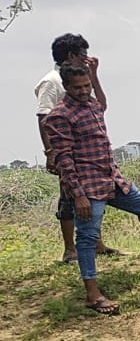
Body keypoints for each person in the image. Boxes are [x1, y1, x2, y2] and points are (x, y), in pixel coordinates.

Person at [44, 64, 140, 315]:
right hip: (87, 185)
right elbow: (64, 159)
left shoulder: (92, 104)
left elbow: (102, 103)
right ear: (66, 87)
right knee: (87, 237)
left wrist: (95, 76)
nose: (84, 91)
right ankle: (92, 294)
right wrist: (78, 195)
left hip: (111, 179)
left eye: (87, 86)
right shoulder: (60, 116)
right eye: (78, 88)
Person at [35, 33, 118, 262]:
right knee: (69, 197)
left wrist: (94, 75)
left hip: (86, 151)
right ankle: (70, 248)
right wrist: (51, 152)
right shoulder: (52, 81)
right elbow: (43, 117)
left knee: (93, 197)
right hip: (66, 150)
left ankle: (96, 243)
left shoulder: (81, 77)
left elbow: (100, 105)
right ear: (72, 55)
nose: (87, 58)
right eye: (83, 54)